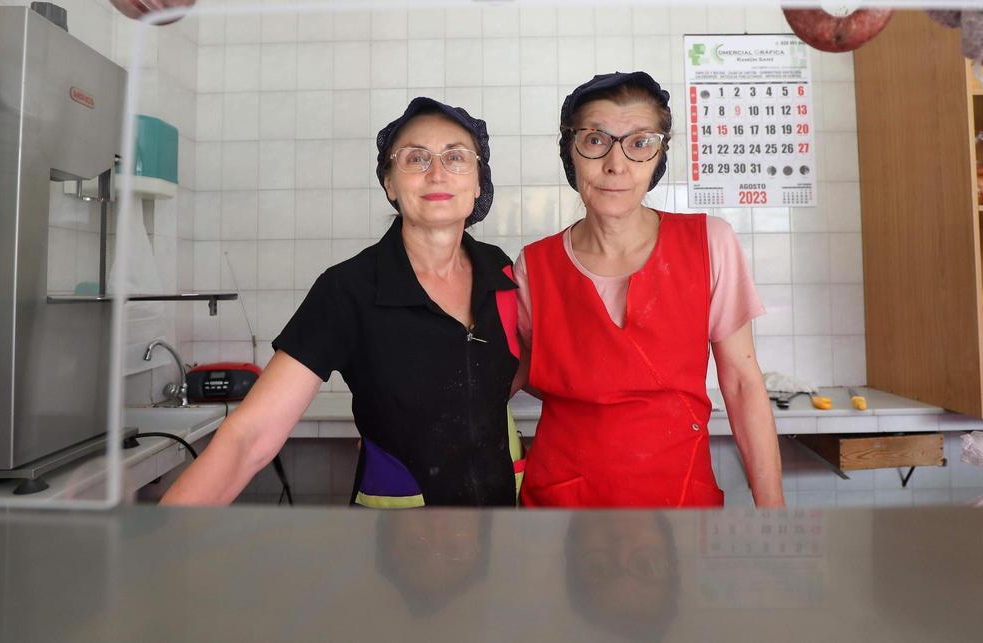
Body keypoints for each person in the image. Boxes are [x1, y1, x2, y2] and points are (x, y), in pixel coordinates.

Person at [161, 97, 523, 507]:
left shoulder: (501, 273)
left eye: (456, 157)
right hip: (397, 550)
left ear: (478, 182)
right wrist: (164, 537)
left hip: (498, 535)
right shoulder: (348, 289)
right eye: (415, 158)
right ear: (389, 183)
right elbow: (250, 437)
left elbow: (503, 370)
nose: (437, 173)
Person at [513, 71, 784, 508]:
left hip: (676, 501)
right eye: (596, 140)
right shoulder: (535, 266)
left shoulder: (709, 243)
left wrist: (774, 512)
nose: (616, 165)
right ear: (570, 151)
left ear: (659, 157)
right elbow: (513, 373)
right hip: (562, 509)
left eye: (640, 143)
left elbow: (740, 383)